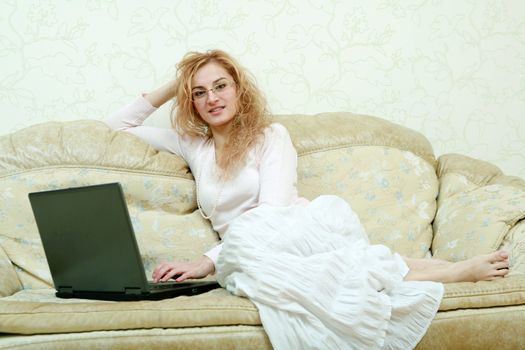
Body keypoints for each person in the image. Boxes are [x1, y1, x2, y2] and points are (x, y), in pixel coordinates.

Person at [105, 49, 509, 349]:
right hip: (246, 254)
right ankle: (421, 268)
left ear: (239, 90)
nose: (212, 98)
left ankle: (448, 272)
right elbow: (116, 126)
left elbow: (273, 213)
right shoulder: (195, 146)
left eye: (220, 85)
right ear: (191, 102)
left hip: (291, 232)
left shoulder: (270, 137)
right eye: (199, 92)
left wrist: (205, 262)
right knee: (261, 273)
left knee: (268, 258)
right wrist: (176, 83)